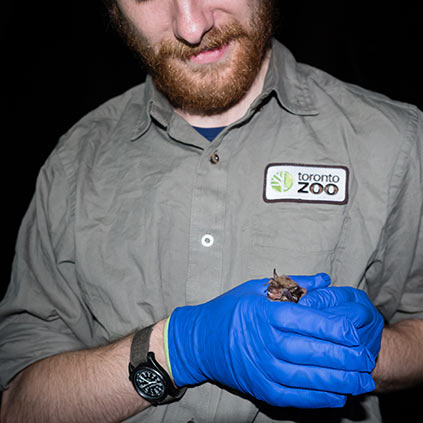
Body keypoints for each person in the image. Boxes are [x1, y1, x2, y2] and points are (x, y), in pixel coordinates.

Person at [1, 0, 422, 422]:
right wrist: (179, 349)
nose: (191, 25)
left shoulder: (395, 141)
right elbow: (19, 404)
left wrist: (366, 354)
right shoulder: (73, 163)